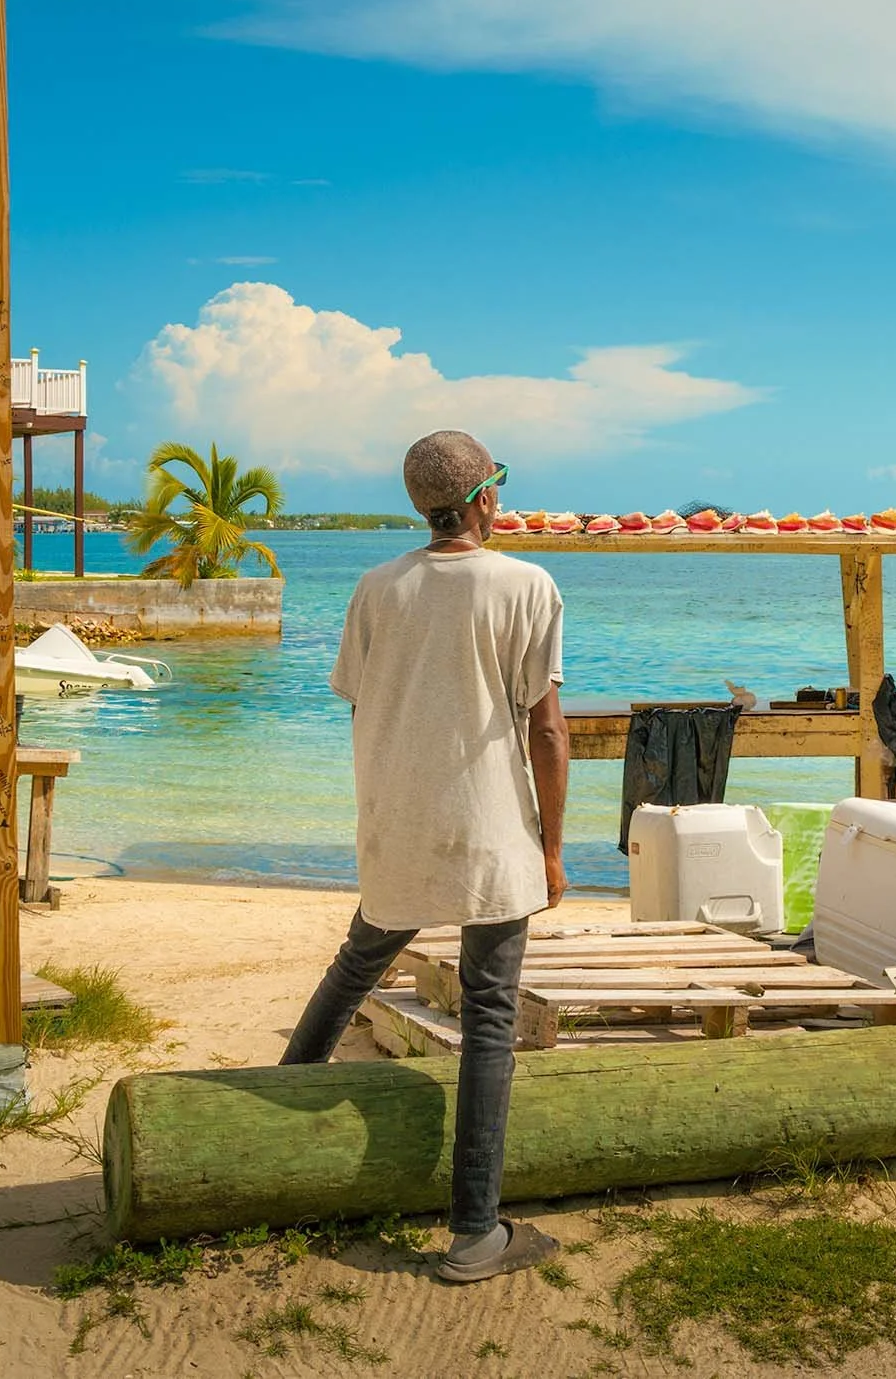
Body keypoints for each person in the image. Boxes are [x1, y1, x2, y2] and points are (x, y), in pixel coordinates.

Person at [280, 429, 570, 1284]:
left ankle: (282, 1105)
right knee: (488, 1013)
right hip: (488, 832)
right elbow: (546, 728)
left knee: (355, 966)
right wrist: (554, 850)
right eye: (501, 483)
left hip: (397, 825)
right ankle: (475, 1230)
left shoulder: (377, 587)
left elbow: (364, 700)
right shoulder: (527, 584)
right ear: (485, 497)